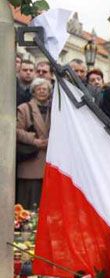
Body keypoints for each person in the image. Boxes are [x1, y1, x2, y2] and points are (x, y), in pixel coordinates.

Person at [16, 78, 52, 210]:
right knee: (28, 206)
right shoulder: (24, 108)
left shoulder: (55, 109)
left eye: (45, 89)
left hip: (49, 163)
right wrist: (34, 140)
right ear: (33, 91)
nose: (42, 91)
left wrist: (52, 140)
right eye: (39, 89)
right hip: (30, 164)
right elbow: (16, 130)